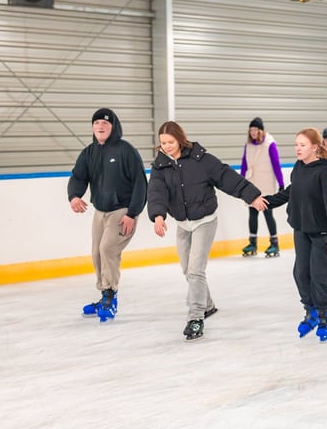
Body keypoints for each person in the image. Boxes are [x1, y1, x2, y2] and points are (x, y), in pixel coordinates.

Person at [148, 121, 268, 341]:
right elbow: (156, 191)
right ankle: (208, 305)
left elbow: (227, 177)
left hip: (204, 220)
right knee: (187, 270)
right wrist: (158, 215)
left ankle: (196, 318)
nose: (166, 146)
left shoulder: (200, 159)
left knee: (195, 270)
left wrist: (251, 196)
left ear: (180, 139)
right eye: (163, 143)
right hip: (183, 223)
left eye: (171, 142)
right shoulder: (160, 165)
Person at [264, 127, 327, 343]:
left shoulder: (324, 173)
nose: (297, 149)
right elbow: (291, 192)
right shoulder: (299, 168)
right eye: (296, 145)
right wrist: (268, 202)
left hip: (323, 233)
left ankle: (323, 317)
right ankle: (310, 311)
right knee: (301, 273)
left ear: (315, 148)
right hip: (301, 230)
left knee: (320, 276)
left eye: (302, 145)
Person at [67, 108, 148, 323]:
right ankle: (104, 294)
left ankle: (110, 297)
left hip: (122, 210)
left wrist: (132, 213)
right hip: (100, 210)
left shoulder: (126, 151)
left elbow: (141, 183)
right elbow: (78, 176)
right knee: (96, 252)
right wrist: (74, 196)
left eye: (105, 124)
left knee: (107, 249)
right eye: (96, 124)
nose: (100, 127)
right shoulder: (89, 152)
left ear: (113, 127)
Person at [240, 117, 285, 258]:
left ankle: (274, 243)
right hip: (252, 182)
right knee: (252, 213)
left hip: (266, 183)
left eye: (255, 130)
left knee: (267, 213)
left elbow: (276, 163)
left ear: (260, 130)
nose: (253, 132)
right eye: (251, 130)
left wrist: (281, 183)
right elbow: (244, 163)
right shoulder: (248, 145)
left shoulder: (270, 143)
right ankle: (252, 242)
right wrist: (241, 181)